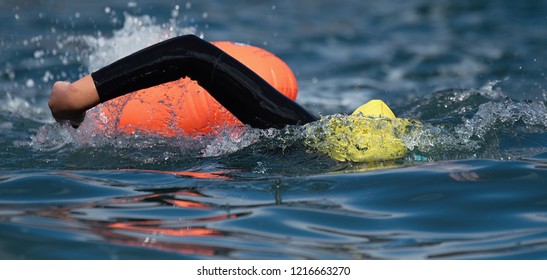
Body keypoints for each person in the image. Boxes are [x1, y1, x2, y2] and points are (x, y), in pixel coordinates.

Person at [49, 34, 414, 162]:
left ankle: (74, 95)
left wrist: (75, 97)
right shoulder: (310, 146)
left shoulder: (304, 137)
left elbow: (191, 53)